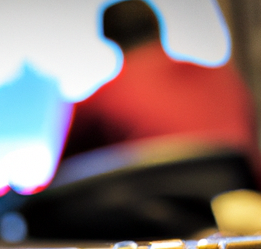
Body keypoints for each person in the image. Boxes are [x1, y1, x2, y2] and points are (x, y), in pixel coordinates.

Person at [61, 0, 261, 186]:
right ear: (158, 26)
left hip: (162, 206)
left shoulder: (102, 101)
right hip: (243, 197)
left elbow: (64, 178)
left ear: (109, 37)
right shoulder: (221, 78)